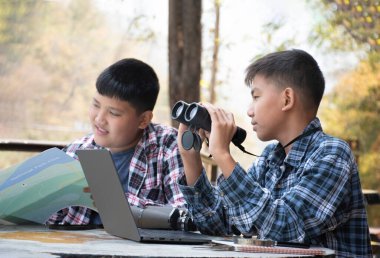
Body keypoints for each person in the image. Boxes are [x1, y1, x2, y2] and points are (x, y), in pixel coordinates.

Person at [177, 49, 372, 257]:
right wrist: (190, 159)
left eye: (256, 97)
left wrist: (223, 155)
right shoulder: (270, 159)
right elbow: (220, 223)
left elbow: (286, 227)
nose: (249, 111)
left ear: (287, 99)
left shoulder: (332, 154)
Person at [47, 58, 185, 225]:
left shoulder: (167, 146)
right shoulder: (75, 153)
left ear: (143, 119)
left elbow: (183, 214)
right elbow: (52, 223)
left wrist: (112, 200)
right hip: (81, 248)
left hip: (140, 250)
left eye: (113, 113)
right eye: (96, 105)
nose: (99, 119)